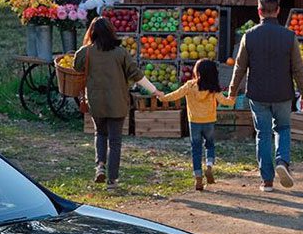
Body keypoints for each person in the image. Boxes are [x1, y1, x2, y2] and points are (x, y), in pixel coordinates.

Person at [229, 0, 303, 191]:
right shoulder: (289, 36)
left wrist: (232, 91)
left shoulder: (249, 36)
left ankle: (267, 181)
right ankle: (282, 161)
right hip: (283, 93)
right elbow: (298, 68)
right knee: (283, 129)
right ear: (278, 11)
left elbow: (240, 67)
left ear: (259, 11)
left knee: (263, 135)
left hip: (258, 94)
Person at [72, 17, 155, 188]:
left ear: (92, 33)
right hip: (117, 102)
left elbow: (76, 67)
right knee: (115, 141)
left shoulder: (86, 52)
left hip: (96, 101)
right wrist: (154, 91)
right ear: (111, 32)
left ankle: (100, 166)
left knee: (100, 134)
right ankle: (112, 180)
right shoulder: (120, 53)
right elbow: (136, 74)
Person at [151, 58, 233, 191]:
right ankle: (209, 165)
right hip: (209, 121)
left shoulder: (190, 85)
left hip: (194, 122)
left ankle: (198, 178)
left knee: (196, 149)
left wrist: (162, 97)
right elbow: (226, 101)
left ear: (197, 71)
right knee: (210, 145)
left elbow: (175, 95)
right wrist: (232, 98)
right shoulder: (213, 89)